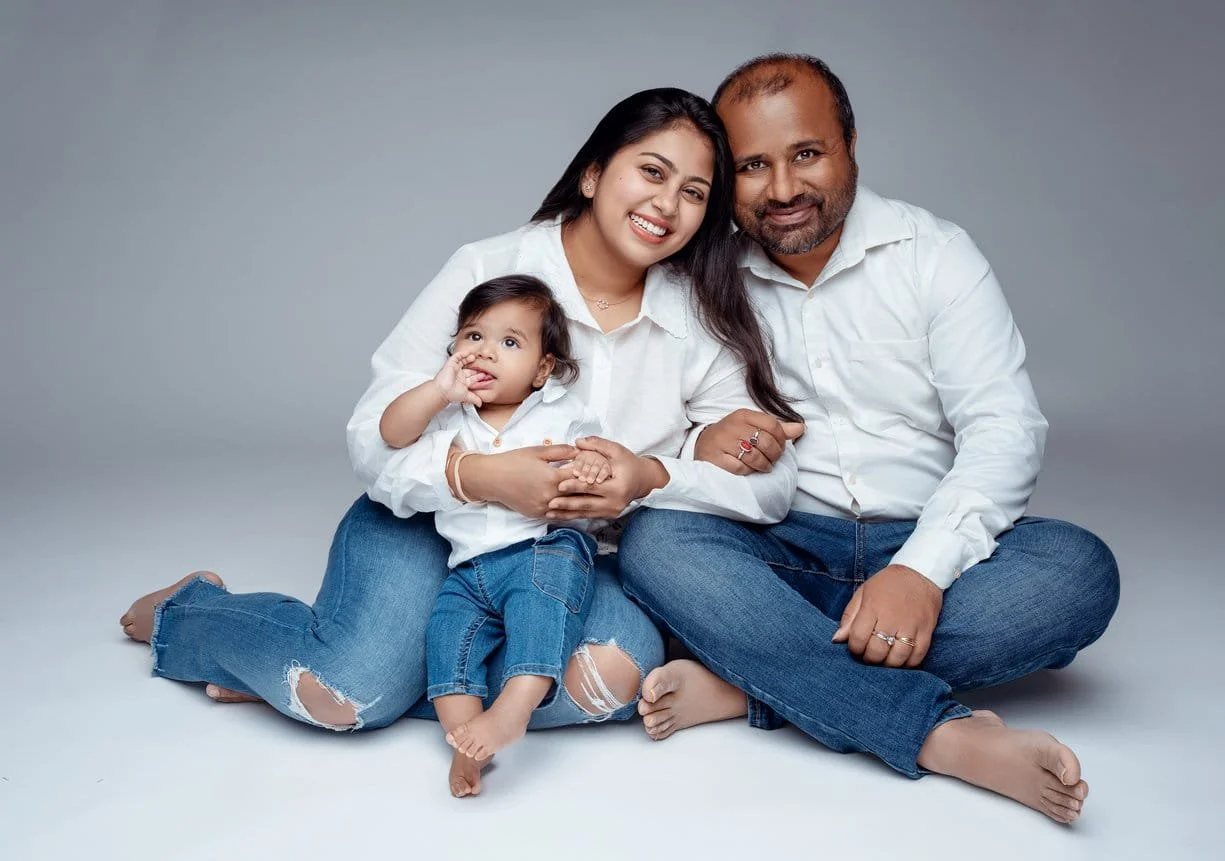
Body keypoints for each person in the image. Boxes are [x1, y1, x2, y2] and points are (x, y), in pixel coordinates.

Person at [119, 87, 803, 796]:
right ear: (594, 173)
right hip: (430, 523)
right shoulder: (488, 267)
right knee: (347, 692)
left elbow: (771, 487)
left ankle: (364, 682)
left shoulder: (701, 317)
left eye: (694, 192)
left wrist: (652, 475)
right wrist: (479, 476)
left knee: (611, 678)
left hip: (565, 557)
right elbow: (372, 438)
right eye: (652, 172)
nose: (666, 204)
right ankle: (196, 616)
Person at [618, 55, 1120, 825]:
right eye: (752, 166)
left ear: (849, 144)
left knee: (1077, 570)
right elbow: (649, 424)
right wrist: (703, 442)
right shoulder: (699, 278)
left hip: (931, 548)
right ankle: (935, 732)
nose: (782, 189)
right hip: (777, 549)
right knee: (655, 541)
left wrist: (919, 570)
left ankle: (752, 680)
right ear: (725, 177)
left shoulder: (934, 254)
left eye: (805, 154)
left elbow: (1003, 428)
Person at [383, 273, 612, 797]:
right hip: (467, 569)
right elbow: (392, 433)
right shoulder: (448, 416)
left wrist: (594, 465)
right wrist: (438, 390)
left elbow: (596, 457)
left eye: (510, 343)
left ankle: (512, 710)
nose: (485, 352)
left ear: (542, 369)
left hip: (542, 548)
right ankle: (466, 747)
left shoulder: (561, 412)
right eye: (473, 336)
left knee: (539, 610)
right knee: (447, 641)